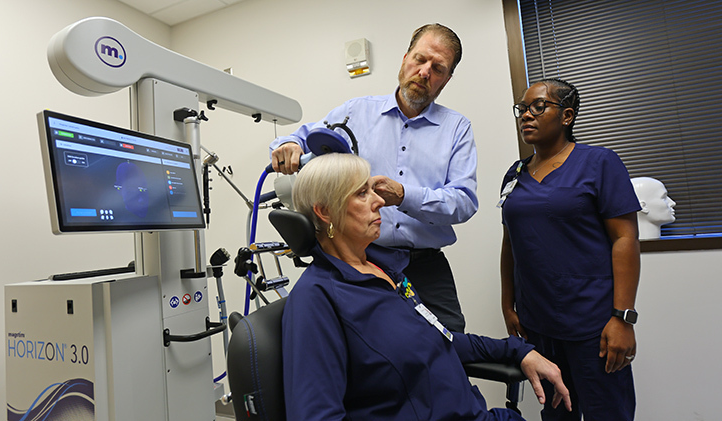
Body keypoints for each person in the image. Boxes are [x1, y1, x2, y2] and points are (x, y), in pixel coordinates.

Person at [283, 153, 571, 421]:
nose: (380, 201)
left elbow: (439, 339)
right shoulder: (316, 298)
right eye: (362, 193)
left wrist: (517, 351)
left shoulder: (385, 270)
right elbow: (316, 415)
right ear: (324, 212)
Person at [270, 23, 477, 332]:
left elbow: (464, 202)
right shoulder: (357, 112)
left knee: (448, 348)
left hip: (425, 266)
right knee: (363, 352)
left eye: (437, 68)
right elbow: (304, 137)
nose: (424, 72)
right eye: (419, 60)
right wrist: (288, 144)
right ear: (405, 57)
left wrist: (405, 196)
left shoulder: (456, 129)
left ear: (446, 79)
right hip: (360, 258)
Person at [498, 78, 640, 421]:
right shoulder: (515, 174)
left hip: (593, 324)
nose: (526, 115)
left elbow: (626, 239)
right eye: (522, 109)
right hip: (538, 324)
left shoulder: (600, 163)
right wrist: (507, 303)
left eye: (538, 106)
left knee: (607, 413)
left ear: (567, 116)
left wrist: (623, 317)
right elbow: (510, 241)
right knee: (556, 415)